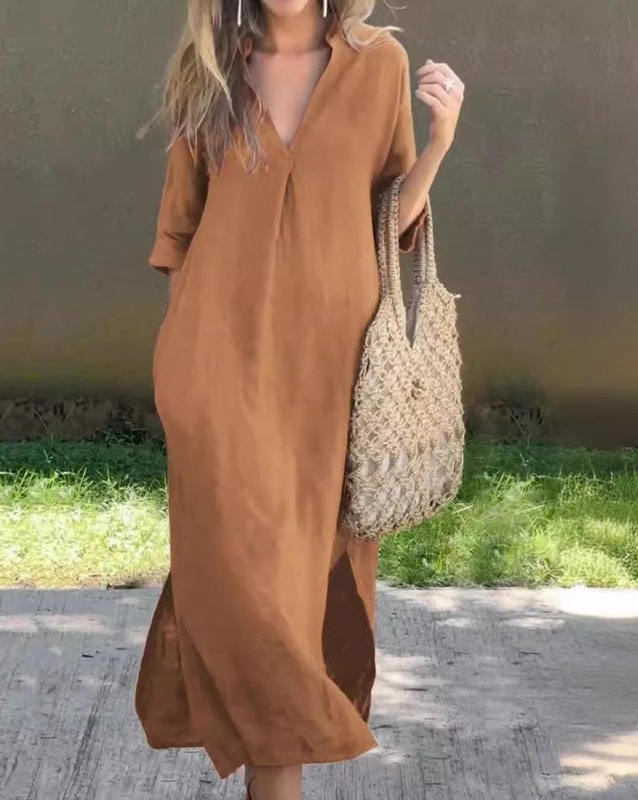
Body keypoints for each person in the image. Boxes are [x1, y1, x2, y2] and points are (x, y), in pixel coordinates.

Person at [135, 1, 464, 798]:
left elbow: (389, 218)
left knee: (295, 599)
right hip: (218, 378)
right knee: (249, 596)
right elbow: (179, 235)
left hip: (329, 383)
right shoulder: (208, 74)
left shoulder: (379, 65)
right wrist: (180, 374)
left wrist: (441, 142)